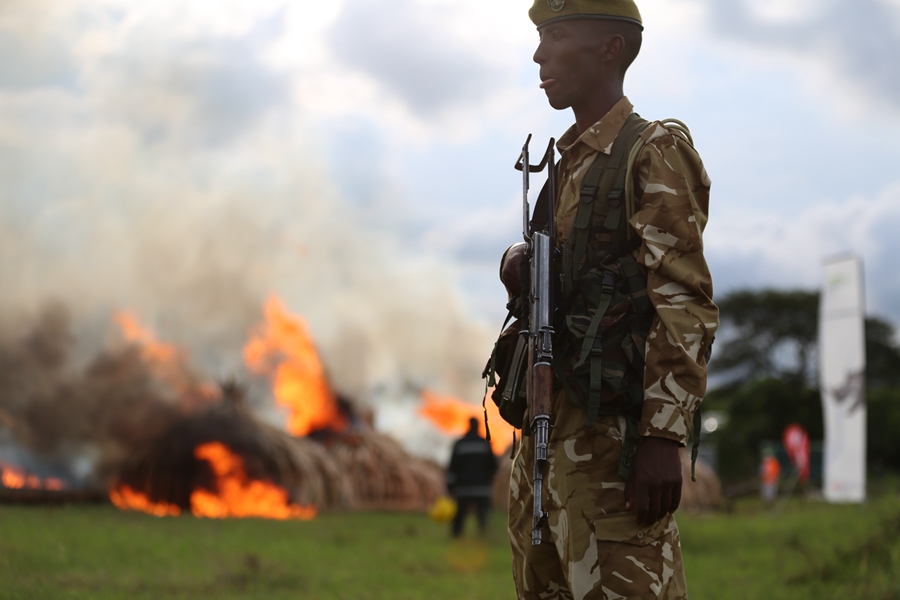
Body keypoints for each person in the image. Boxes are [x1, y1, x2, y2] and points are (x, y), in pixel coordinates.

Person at [500, 1, 719, 598]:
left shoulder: (650, 150)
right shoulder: (566, 163)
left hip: (614, 446)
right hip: (549, 432)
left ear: (610, 49)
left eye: (557, 36)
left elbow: (683, 300)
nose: (540, 54)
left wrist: (661, 437)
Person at [446, 417, 498, 537]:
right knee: (482, 516)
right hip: (482, 488)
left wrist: (450, 485)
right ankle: (485, 536)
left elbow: (452, 467)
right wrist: (488, 479)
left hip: (463, 488)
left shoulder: (460, 444)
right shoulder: (485, 444)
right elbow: (494, 466)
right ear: (478, 426)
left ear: (468, 425)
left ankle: (456, 536)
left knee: (459, 515)